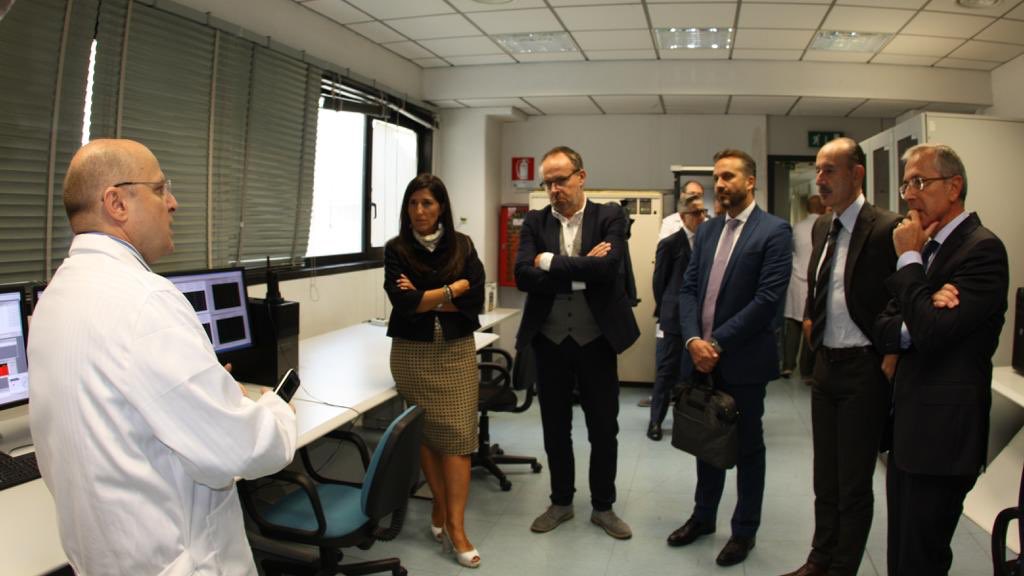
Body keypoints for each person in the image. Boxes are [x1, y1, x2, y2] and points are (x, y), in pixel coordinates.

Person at [28, 139, 297, 575]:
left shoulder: (55, 298)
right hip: (178, 561)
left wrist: (203, 388)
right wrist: (276, 410)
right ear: (116, 203)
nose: (173, 203)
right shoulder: (146, 300)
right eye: (159, 189)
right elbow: (242, 448)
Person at [874, 143, 1008, 575]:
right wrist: (922, 309)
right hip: (909, 430)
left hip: (943, 438)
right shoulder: (927, 248)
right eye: (905, 185)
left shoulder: (981, 249)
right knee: (902, 555)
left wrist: (909, 261)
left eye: (919, 182)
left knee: (922, 560)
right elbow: (882, 328)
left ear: (954, 187)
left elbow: (932, 333)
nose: (909, 195)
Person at [779, 138, 900, 576]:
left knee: (853, 483)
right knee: (825, 478)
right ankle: (819, 559)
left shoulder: (887, 228)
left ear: (857, 173)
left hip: (865, 368)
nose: (821, 179)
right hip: (826, 365)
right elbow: (821, 282)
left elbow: (904, 292)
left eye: (830, 170)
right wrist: (812, 319)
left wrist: (892, 349)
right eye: (818, 170)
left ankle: (842, 568)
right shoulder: (821, 227)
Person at [671, 148, 792, 566]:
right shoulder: (707, 231)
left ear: (750, 181)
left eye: (728, 177)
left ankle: (744, 531)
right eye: (717, 177)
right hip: (700, 358)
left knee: (747, 448)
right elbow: (688, 289)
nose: (720, 185)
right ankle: (703, 517)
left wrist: (717, 343)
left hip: (742, 361)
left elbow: (767, 300)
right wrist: (693, 340)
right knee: (706, 440)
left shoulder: (774, 231)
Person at [515, 145, 640, 540]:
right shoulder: (534, 221)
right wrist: (584, 272)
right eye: (548, 183)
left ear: (581, 177)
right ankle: (561, 502)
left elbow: (609, 269)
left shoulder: (610, 215)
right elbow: (521, 275)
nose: (554, 189)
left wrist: (548, 262)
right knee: (555, 428)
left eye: (561, 180)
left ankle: (603, 507)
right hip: (549, 340)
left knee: (603, 428)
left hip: (596, 340)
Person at [384, 173, 485, 569]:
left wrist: (426, 295)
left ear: (441, 206)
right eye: (413, 203)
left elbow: (474, 298)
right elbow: (403, 304)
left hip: (455, 352)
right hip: (412, 354)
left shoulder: (463, 245)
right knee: (426, 435)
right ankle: (440, 504)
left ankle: (456, 526)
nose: (419, 211)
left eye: (427, 203)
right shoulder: (396, 249)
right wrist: (451, 290)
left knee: (458, 439)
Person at [648, 192, 707, 441]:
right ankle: (655, 422)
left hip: (699, 317)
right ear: (683, 217)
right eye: (696, 213)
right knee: (666, 371)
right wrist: (667, 310)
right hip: (672, 317)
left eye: (704, 212)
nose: (702, 217)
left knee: (693, 374)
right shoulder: (670, 243)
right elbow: (659, 283)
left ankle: (689, 422)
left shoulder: (708, 243)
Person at [781, 193, 824, 381]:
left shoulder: (797, 227)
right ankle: (807, 371)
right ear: (822, 207)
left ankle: (787, 365)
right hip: (815, 280)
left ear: (806, 208)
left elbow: (790, 252)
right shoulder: (825, 225)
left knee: (793, 326)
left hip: (796, 279)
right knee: (810, 323)